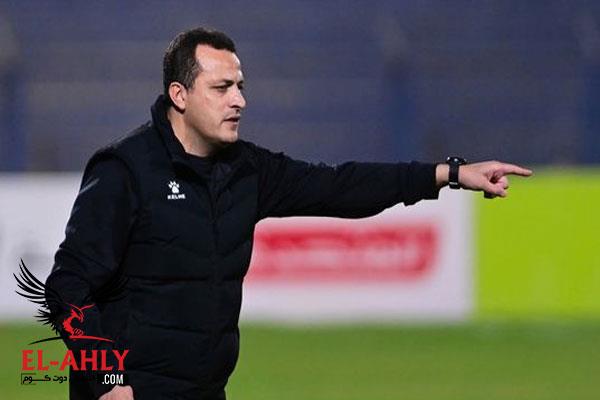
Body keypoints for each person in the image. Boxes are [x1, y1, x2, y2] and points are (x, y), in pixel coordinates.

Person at [45, 27, 532, 400]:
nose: (239, 100)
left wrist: (448, 173)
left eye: (240, 86)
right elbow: (67, 286)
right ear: (180, 95)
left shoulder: (247, 170)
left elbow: (341, 187)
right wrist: (107, 379)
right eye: (221, 88)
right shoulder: (125, 170)